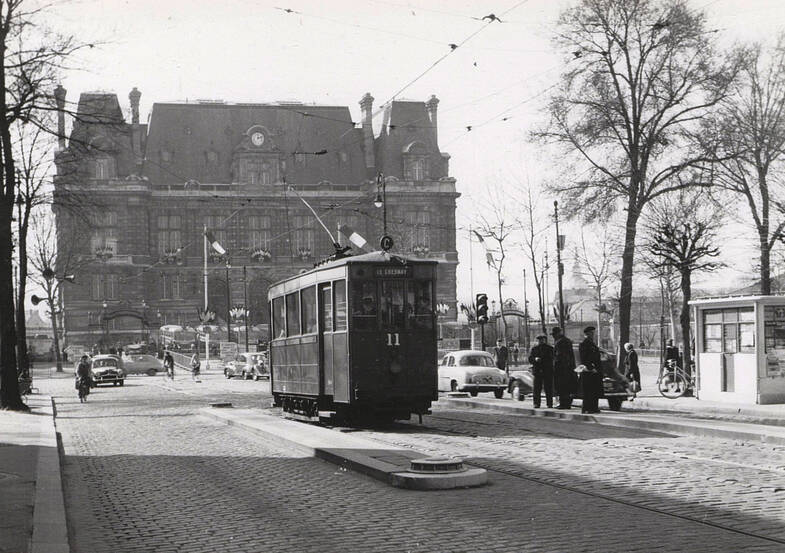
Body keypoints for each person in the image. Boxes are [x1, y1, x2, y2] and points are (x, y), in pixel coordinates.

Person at [578, 326, 603, 414]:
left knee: (594, 390)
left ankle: (594, 407)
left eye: (593, 333)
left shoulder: (592, 343)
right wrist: (591, 368)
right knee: (588, 390)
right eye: (591, 333)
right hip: (589, 371)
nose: (593, 334)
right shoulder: (584, 344)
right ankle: (587, 408)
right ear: (587, 334)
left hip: (595, 370)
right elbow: (584, 359)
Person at [551, 326, 576, 409]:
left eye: (554, 334)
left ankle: (563, 404)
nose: (553, 336)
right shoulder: (567, 341)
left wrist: (555, 365)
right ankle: (567, 403)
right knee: (567, 386)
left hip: (561, 368)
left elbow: (559, 356)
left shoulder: (559, 342)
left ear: (557, 334)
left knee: (561, 386)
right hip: (569, 367)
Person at [528, 335, 554, 408]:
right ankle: (536, 403)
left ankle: (549, 403)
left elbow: (552, 358)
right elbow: (530, 359)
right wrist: (535, 359)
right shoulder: (534, 349)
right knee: (536, 388)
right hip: (537, 370)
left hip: (547, 370)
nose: (541, 341)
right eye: (539, 340)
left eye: (542, 340)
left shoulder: (550, 348)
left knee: (548, 388)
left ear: (545, 340)